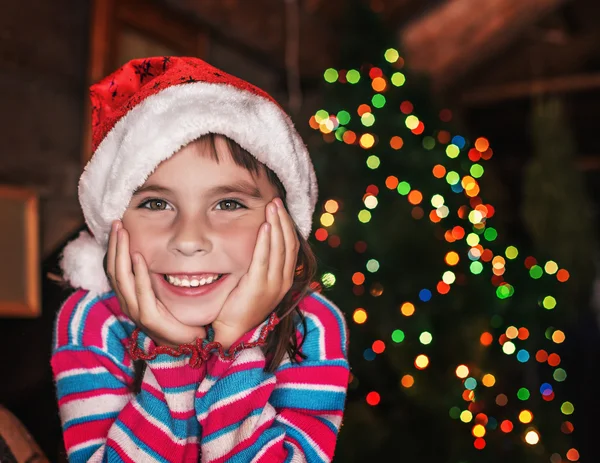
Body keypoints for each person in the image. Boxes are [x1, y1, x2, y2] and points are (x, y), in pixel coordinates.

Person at [51, 57, 350, 463]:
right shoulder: (93, 322)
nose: (189, 239)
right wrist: (173, 354)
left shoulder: (311, 326)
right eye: (156, 203)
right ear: (113, 224)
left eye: (228, 203)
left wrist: (231, 346)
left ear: (285, 226)